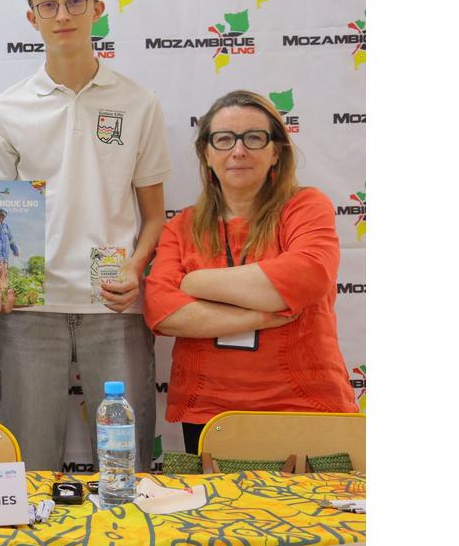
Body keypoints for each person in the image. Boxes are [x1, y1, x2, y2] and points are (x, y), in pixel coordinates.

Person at [0, 0, 170, 472]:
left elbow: (155, 214)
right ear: (32, 17)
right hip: (29, 308)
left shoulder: (139, 103)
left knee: (126, 469)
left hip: (114, 305)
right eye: (49, 5)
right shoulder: (4, 110)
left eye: (75, 2)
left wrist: (135, 267)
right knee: (30, 468)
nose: (62, 15)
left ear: (98, 9)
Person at [144, 90, 359, 453]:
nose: (239, 150)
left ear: (276, 151)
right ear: (206, 153)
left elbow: (308, 275)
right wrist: (264, 314)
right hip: (210, 414)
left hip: (305, 407)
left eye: (254, 138)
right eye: (224, 139)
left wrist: (195, 282)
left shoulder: (305, 206)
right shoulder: (182, 227)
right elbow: (163, 311)